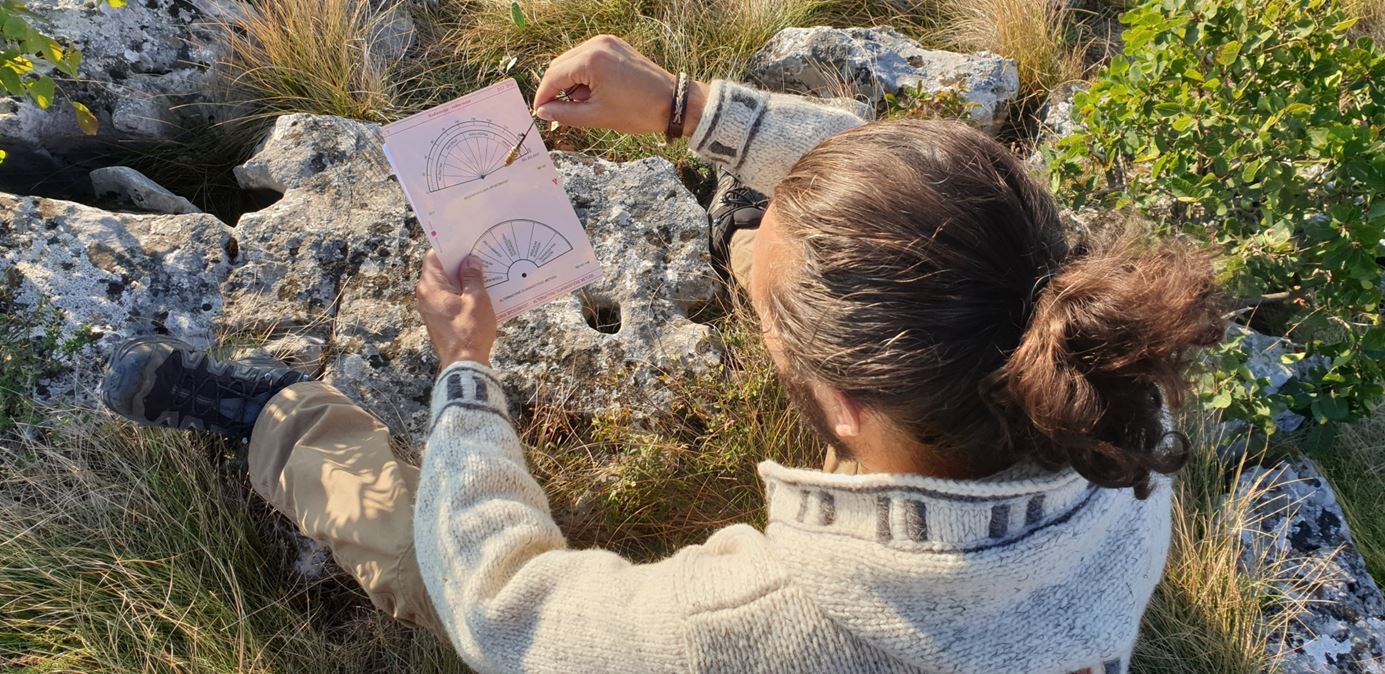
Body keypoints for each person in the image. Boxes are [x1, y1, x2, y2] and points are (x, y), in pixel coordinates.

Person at [101, 35, 1225, 673]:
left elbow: (511, 616)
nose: (738, 254)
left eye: (757, 283)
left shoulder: (747, 628)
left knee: (437, 558)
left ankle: (288, 431)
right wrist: (690, 109)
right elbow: (969, 210)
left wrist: (464, 375)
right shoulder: (1124, 418)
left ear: (834, 401)